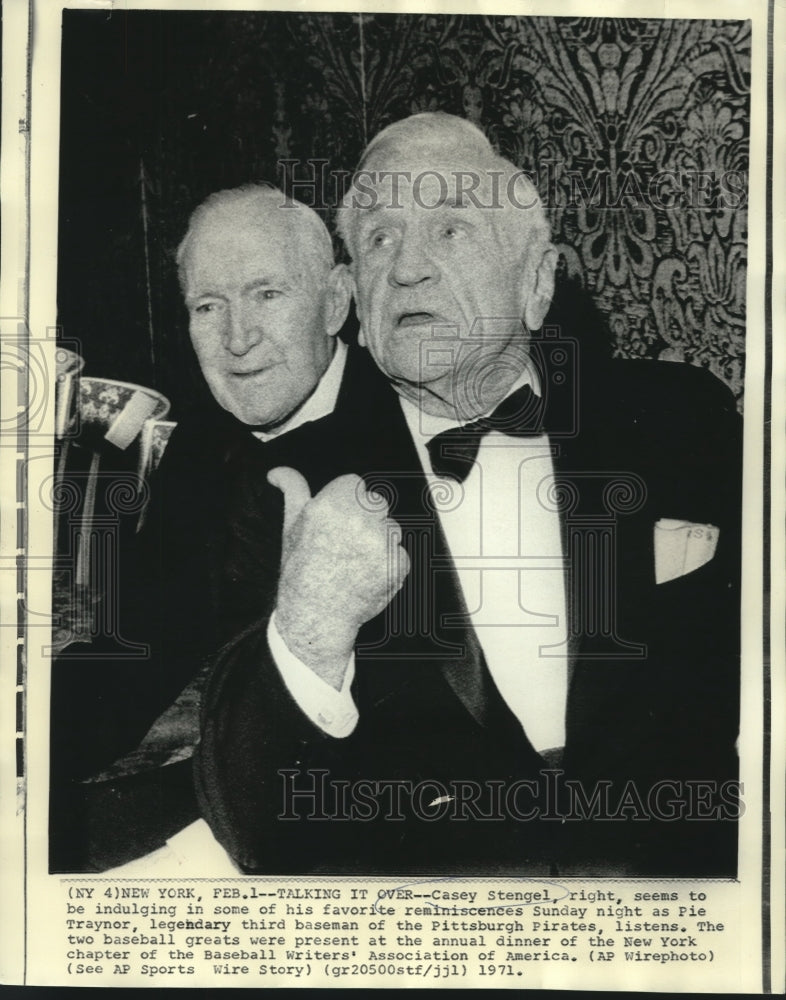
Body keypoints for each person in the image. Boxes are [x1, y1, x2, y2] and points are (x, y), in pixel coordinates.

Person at [195, 114, 742, 877]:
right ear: (354, 294)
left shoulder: (683, 421)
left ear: (537, 282)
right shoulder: (290, 485)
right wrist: (311, 630)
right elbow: (252, 822)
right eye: (380, 238)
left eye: (451, 230)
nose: (408, 268)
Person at [49, 184, 379, 869]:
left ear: (336, 301)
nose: (237, 338)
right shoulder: (201, 436)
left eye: (267, 294)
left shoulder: (409, 436)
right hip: (214, 784)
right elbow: (140, 637)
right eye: (208, 306)